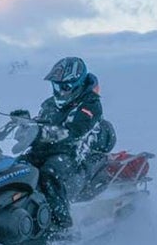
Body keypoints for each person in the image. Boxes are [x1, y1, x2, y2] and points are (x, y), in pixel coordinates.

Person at [12, 57, 115, 233]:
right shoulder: (50, 104)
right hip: (48, 152)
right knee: (15, 169)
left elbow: (73, 132)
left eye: (65, 86)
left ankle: (61, 228)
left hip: (76, 158)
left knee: (50, 173)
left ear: (77, 84)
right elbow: (42, 124)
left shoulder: (89, 105)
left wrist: (39, 133)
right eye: (56, 86)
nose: (60, 91)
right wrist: (25, 124)